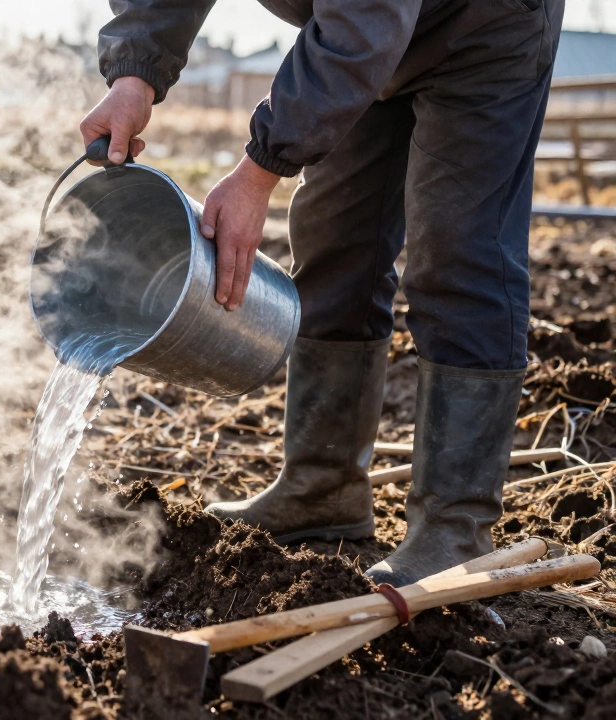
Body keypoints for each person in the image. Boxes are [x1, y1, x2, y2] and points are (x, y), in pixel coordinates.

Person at [80, 0, 563, 586]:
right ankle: (322, 488)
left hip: (482, 26)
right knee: (336, 238)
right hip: (363, 36)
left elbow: (367, 18)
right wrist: (134, 74)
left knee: (459, 253)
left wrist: (259, 171)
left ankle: (454, 527)